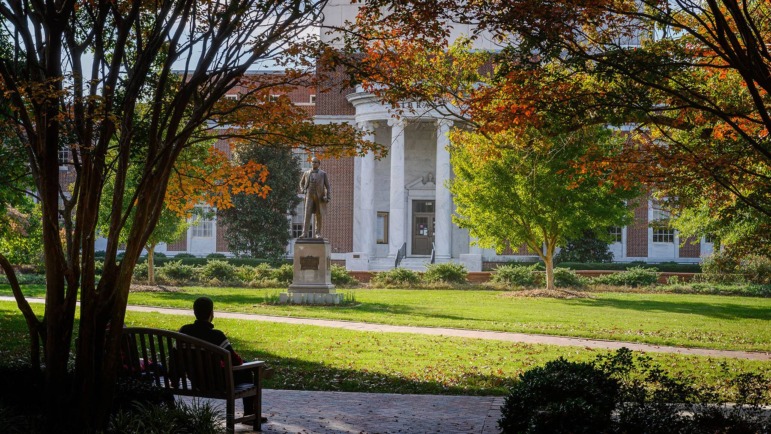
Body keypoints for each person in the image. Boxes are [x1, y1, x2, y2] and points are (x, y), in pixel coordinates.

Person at [179, 297, 262, 421]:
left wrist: (174, 378)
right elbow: (235, 361)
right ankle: (249, 414)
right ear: (211, 313)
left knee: (245, 365)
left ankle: (256, 369)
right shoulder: (216, 335)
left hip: (196, 381)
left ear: (194, 312)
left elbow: (175, 357)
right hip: (217, 382)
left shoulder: (184, 331)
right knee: (248, 370)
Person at [299, 156, 331, 238]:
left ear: (319, 164)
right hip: (309, 196)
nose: (313, 163)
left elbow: (328, 186)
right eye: (312, 162)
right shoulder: (306, 173)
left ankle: (318, 233)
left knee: (318, 215)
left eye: (315, 162)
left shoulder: (323, 174)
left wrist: (328, 197)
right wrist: (303, 190)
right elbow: (301, 183)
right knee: (307, 214)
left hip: (319, 197)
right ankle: (304, 233)